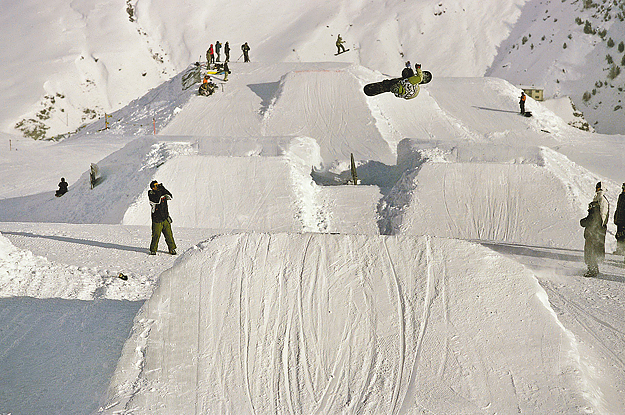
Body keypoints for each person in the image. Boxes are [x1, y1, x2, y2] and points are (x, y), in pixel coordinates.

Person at [148, 180, 177, 255]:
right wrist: (160, 190)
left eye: (158, 185)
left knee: (169, 235)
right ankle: (153, 250)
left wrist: (163, 188)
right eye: (156, 185)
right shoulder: (151, 194)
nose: (158, 186)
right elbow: (157, 200)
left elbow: (170, 196)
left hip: (165, 218)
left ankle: (172, 249)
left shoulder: (161, 192)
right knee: (156, 235)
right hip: (157, 219)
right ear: (152, 187)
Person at [580, 201, 605, 277]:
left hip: (592, 238)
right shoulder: (596, 214)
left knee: (590, 254)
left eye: (590, 206)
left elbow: (584, 222)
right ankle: (594, 269)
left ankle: (592, 270)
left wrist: (582, 221)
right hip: (593, 238)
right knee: (591, 253)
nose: (589, 208)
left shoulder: (593, 215)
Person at [614, 182, 625, 256]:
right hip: (619, 220)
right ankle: (619, 249)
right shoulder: (621, 196)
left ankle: (622, 250)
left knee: (623, 236)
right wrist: (616, 217)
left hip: (623, 221)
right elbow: (618, 208)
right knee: (618, 235)